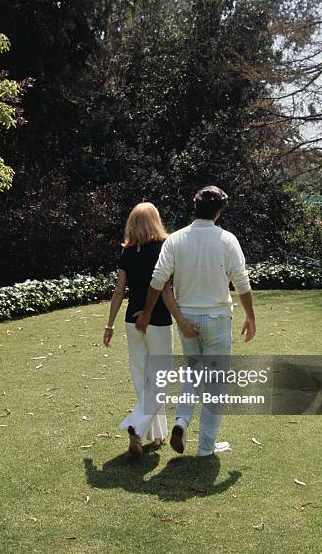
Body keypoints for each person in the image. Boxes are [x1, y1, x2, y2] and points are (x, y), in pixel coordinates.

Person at [135, 186, 256, 457]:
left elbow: (157, 281)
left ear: (194, 207)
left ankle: (181, 420)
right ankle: (205, 446)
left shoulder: (175, 240)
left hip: (186, 318)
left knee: (193, 374)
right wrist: (250, 316)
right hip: (217, 318)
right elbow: (242, 282)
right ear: (220, 211)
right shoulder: (227, 240)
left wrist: (147, 312)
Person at [103, 202, 197, 458]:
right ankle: (136, 427)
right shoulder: (163, 249)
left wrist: (109, 324)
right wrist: (179, 317)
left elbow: (119, 291)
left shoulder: (127, 252)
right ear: (156, 221)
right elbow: (165, 288)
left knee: (142, 376)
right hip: (156, 320)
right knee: (159, 379)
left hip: (130, 321)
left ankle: (156, 435)